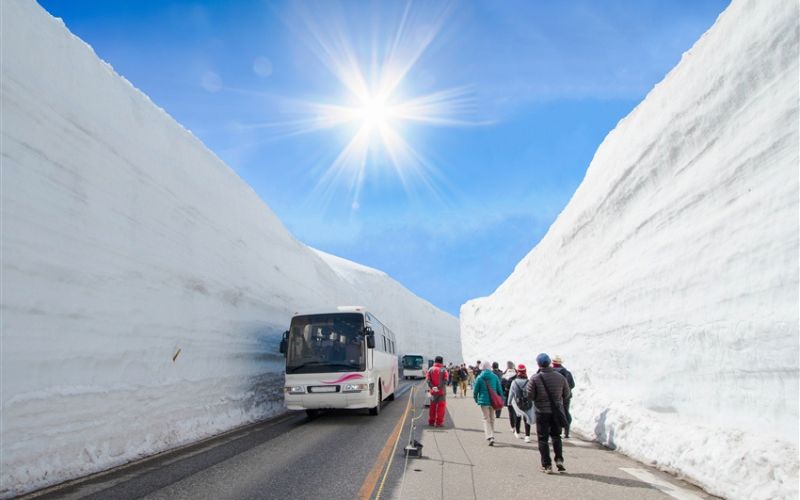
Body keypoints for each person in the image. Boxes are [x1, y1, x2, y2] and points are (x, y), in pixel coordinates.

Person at [526, 353, 571, 474]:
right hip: (556, 411)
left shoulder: (535, 378)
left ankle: (547, 465)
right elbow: (567, 394)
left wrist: (538, 398)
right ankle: (559, 459)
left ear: (539, 364)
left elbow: (529, 395)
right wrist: (558, 400)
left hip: (541, 412)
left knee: (543, 439)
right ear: (549, 362)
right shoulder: (560, 377)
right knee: (556, 436)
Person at [473, 361, 505, 446]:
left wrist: (476, 399)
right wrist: (502, 398)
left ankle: (490, 436)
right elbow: (499, 389)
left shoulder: (479, 377)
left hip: (484, 401)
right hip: (493, 400)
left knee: (486, 418)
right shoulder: (494, 377)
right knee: (492, 418)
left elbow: (475, 390)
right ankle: (492, 435)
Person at [507, 364, 533, 442]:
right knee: (527, 418)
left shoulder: (514, 382)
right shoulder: (529, 381)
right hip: (527, 402)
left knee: (518, 416)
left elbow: (511, 394)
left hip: (517, 402)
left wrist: (509, 403)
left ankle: (517, 432)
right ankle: (527, 436)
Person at [552, 355, 575, 438]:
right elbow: (572, 385)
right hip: (566, 396)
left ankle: (557, 430)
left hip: (555, 397)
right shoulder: (567, 372)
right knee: (565, 412)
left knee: (555, 413)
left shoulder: (550, 373)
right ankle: (566, 431)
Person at [426, 356, 449, 427]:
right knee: (441, 407)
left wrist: (433, 387)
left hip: (432, 392)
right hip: (441, 392)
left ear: (434, 361)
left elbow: (428, 380)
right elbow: (445, 381)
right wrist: (438, 387)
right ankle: (439, 423)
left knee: (432, 407)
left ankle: (431, 422)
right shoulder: (444, 370)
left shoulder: (430, 369)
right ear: (442, 362)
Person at [501, 361, 518, 433]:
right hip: (516, 395)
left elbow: (501, 386)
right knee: (516, 411)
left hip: (508, 395)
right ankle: (517, 425)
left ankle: (512, 426)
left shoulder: (504, 375)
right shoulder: (517, 374)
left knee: (511, 411)